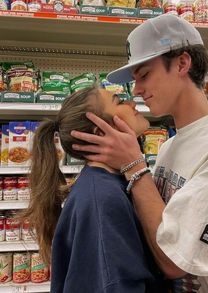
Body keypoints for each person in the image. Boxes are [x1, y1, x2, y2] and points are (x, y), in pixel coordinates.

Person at [70, 14, 208, 293]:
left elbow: (174, 261)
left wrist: (134, 166)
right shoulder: (169, 146)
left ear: (182, 63)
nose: (136, 90)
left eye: (144, 75)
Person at [20, 86, 170, 293]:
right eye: (119, 101)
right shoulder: (103, 199)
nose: (133, 103)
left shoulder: (111, 183)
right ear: (100, 132)